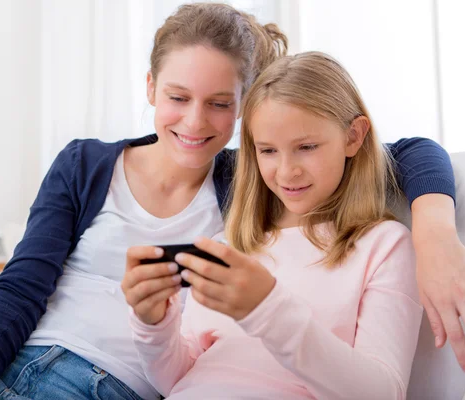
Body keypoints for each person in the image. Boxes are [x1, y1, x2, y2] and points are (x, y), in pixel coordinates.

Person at [0, 3, 459, 400]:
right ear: (150, 87)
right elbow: (21, 285)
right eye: (177, 96)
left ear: (244, 110)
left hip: (100, 376)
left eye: (221, 104)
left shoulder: (247, 187)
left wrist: (434, 224)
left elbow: (397, 147)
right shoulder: (86, 162)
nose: (195, 123)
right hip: (6, 343)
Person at [124, 51, 424, 400]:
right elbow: (177, 378)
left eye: (306, 147)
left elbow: (382, 393)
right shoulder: (228, 246)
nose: (286, 171)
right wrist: (153, 323)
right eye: (268, 151)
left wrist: (267, 309)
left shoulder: (383, 246)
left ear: (353, 136)